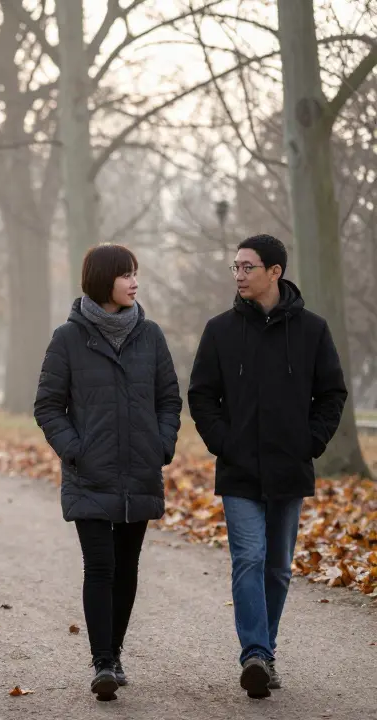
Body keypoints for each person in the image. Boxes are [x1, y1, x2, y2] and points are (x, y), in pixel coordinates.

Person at [188, 234, 347, 699]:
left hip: (289, 468)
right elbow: (201, 395)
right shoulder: (219, 330)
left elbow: (332, 394)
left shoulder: (313, 331)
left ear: (275, 271)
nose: (239, 275)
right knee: (249, 558)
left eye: (248, 267)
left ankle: (266, 653)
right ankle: (254, 654)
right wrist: (224, 443)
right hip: (238, 470)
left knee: (277, 568)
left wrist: (310, 442)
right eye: (235, 267)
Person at [33, 244, 182, 701]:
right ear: (103, 280)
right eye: (125, 274)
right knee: (100, 566)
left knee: (127, 566)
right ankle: (101, 662)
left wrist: (161, 444)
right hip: (90, 474)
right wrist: (75, 451)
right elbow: (48, 405)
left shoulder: (150, 335)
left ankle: (115, 653)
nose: (134, 282)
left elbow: (169, 399)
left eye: (135, 273)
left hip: (139, 469)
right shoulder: (68, 338)